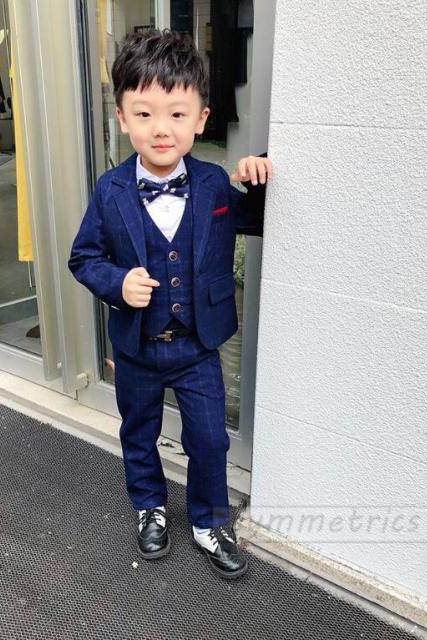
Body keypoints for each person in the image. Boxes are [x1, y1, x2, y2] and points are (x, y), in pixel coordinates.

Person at [68, 28, 273, 580]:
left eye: (177, 114)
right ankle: (150, 507)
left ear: (201, 119)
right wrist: (117, 283)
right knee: (138, 430)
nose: (161, 128)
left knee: (209, 437)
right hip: (137, 347)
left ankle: (209, 520)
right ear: (122, 118)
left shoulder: (213, 184)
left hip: (197, 346)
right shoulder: (110, 190)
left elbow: (256, 220)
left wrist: (257, 180)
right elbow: (83, 257)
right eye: (144, 114)